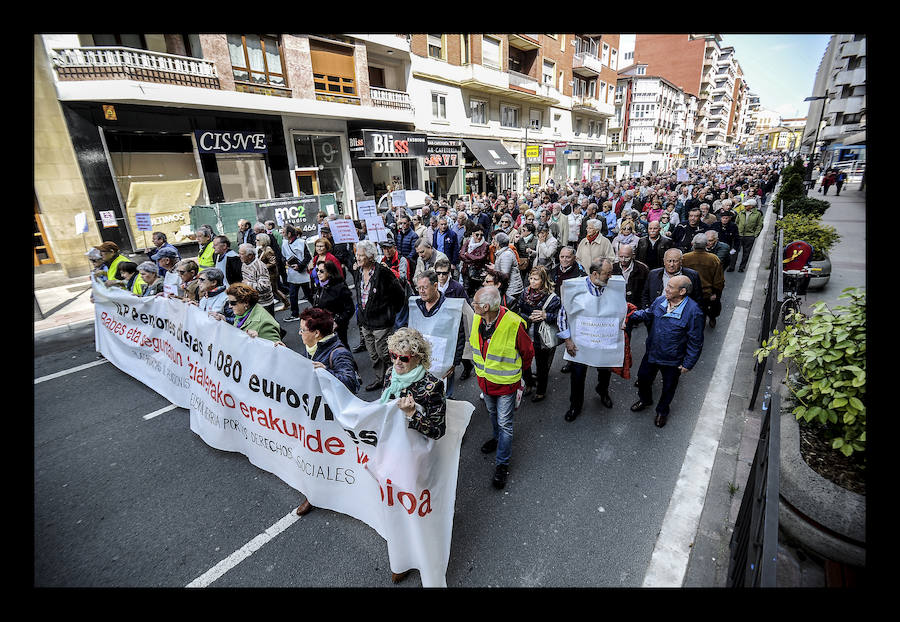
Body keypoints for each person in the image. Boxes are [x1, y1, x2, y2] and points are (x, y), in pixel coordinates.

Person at [470, 286, 534, 490]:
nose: (473, 306)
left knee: (505, 423)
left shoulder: (514, 324)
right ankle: (497, 439)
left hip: (506, 385)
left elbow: (527, 353)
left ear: (486, 307)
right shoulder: (477, 318)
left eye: (476, 303)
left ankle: (502, 465)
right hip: (485, 382)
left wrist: (519, 376)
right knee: (492, 413)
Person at [627, 275, 704, 428]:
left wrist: (688, 363)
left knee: (668, 387)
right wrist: (629, 314)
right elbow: (648, 314)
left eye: (670, 287)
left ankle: (662, 411)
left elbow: (695, 341)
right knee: (643, 378)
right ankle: (645, 400)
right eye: (667, 286)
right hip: (652, 353)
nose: (665, 289)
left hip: (673, 359)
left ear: (682, 291)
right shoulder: (660, 301)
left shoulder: (694, 312)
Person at [556, 259, 623, 421]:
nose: (610, 276)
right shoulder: (574, 288)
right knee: (577, 376)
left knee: (605, 371)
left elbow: (621, 309)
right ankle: (575, 405)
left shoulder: (615, 286)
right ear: (594, 274)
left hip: (604, 341)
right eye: (607, 273)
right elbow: (563, 316)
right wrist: (568, 341)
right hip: (580, 344)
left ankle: (602, 391)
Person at [354, 240, 406, 392]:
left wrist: (389, 314)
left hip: (382, 323)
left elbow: (399, 295)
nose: (357, 258)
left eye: (361, 255)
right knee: (373, 355)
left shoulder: (383, 272)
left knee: (384, 353)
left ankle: (393, 381)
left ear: (370, 257)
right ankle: (380, 380)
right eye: (357, 254)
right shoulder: (358, 272)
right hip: (366, 323)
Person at [411, 270, 466, 398]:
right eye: (419, 288)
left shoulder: (451, 308)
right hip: (421, 361)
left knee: (444, 396)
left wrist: (454, 362)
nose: (421, 291)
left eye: (424, 287)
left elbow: (459, 336)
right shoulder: (416, 305)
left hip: (443, 362)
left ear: (435, 286)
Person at [515, 266, 561, 403]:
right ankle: (528, 384)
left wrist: (545, 315)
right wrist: (528, 317)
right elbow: (518, 310)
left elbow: (559, 317)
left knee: (541, 366)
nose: (532, 281)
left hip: (542, 338)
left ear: (544, 280)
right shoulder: (525, 293)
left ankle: (541, 391)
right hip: (525, 335)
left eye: (536, 279)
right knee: (525, 363)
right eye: (530, 278)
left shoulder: (552, 298)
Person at [682, 233, 726, 328]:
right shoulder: (714, 259)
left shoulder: (685, 258)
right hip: (707, 293)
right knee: (709, 309)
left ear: (692, 244)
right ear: (706, 245)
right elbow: (719, 280)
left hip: (690, 293)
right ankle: (711, 318)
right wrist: (716, 293)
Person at [212, 283, 281, 343]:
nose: (230, 306)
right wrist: (225, 320)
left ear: (246, 303)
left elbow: (275, 350)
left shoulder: (265, 323)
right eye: (228, 302)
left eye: (233, 303)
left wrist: (258, 340)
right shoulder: (242, 313)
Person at [311, 259, 355, 349]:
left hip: (337, 328)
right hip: (322, 326)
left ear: (329, 272)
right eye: (317, 270)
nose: (318, 273)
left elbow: (349, 309)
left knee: (341, 349)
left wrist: (337, 321)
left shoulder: (340, 287)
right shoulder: (320, 286)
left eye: (321, 271)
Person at [281, 224, 314, 321]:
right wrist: (286, 262)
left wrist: (300, 266)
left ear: (289, 233)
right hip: (292, 273)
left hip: (302, 273)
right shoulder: (284, 243)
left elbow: (308, 257)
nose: (282, 234)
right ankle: (294, 314)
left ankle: (318, 309)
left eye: (283, 232)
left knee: (308, 294)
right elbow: (283, 256)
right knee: (292, 295)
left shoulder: (302, 242)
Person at [238, 243, 275, 317]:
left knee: (269, 326)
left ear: (250, 255)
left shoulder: (260, 267)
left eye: (241, 254)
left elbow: (265, 286)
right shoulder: (244, 264)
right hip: (254, 302)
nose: (239, 256)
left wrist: (248, 284)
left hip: (264, 304)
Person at [489, 232, 524, 309]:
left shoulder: (506, 254)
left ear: (498, 243)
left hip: (512, 289)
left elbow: (505, 275)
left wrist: (492, 271)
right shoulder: (503, 252)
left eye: (494, 240)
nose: (492, 241)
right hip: (509, 288)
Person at [257, 233, 290, 309]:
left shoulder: (268, 250)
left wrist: (262, 267)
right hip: (267, 273)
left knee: (274, 290)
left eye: (258, 240)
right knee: (274, 290)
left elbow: (272, 262)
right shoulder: (261, 249)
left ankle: (286, 302)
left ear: (263, 240)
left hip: (272, 273)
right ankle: (285, 302)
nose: (256, 241)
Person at [613, 243, 649, 308]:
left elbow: (646, 291)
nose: (623, 260)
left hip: (636, 305)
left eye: (626, 257)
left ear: (633, 256)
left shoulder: (642, 269)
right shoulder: (613, 268)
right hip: (617, 305)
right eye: (621, 257)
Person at [734, 198, 763, 272]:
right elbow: (736, 222)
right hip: (739, 235)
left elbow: (759, 225)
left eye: (747, 205)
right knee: (735, 251)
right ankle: (731, 266)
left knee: (746, 253)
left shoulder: (758, 214)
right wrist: (737, 232)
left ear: (751, 206)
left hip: (749, 236)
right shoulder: (741, 213)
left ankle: (742, 267)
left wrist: (755, 234)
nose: (745, 206)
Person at [459, 226, 489, 298]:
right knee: (466, 290)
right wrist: (471, 259)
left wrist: (468, 255)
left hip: (477, 272)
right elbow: (461, 255)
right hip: (466, 270)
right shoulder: (468, 242)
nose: (479, 237)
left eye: (481, 235)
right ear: (473, 234)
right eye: (477, 234)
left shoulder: (485, 245)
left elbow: (481, 258)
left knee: (477, 293)